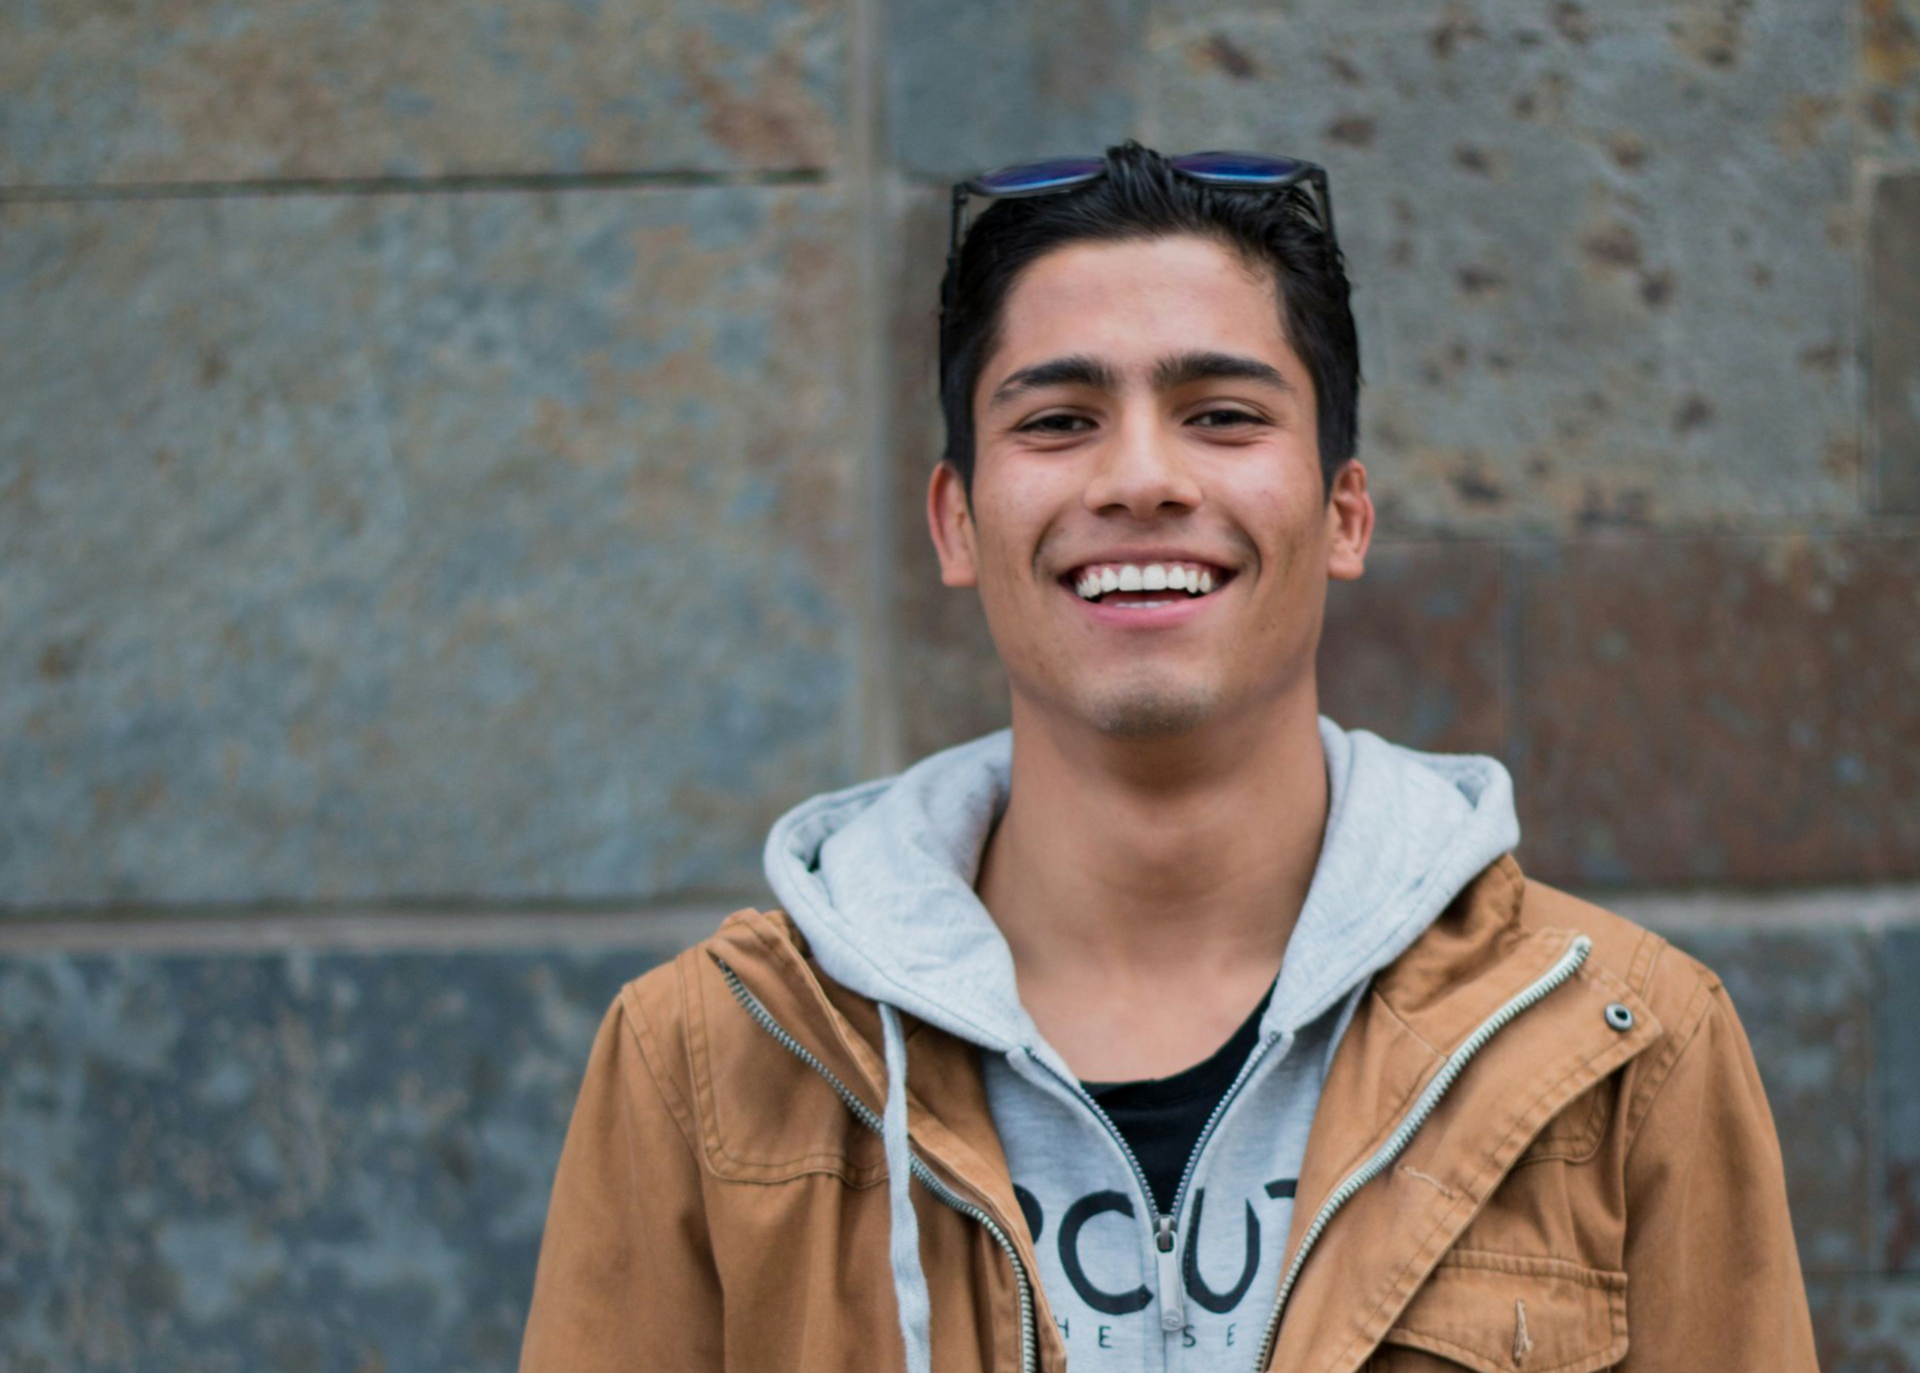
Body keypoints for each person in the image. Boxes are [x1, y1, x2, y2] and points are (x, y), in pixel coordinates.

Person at [519, 141, 1818, 1372]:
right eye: (1058, 420)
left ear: (1345, 513)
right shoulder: (707, 1059)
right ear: (957, 522)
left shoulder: (1625, 1043)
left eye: (1223, 414)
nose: (1141, 478)